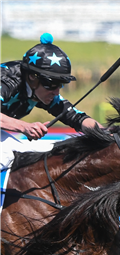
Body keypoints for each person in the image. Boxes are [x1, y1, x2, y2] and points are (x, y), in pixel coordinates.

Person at [0, 33, 101, 169]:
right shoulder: (7, 81)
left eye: (60, 85)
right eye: (52, 84)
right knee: (9, 156)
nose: (56, 91)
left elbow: (77, 118)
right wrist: (24, 126)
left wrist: (106, 134)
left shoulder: (39, 89)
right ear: (32, 77)